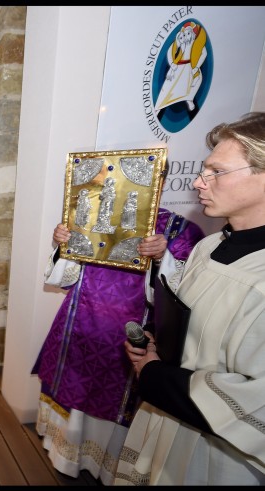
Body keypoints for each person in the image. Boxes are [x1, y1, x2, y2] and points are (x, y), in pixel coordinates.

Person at [116, 112, 265, 485]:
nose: (199, 182)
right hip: (172, 418)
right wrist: (158, 343)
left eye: (217, 172)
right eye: (203, 170)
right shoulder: (210, 245)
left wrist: (153, 373)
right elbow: (190, 315)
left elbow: (255, 398)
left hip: (221, 451)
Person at [33, 204, 205, 483]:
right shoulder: (91, 215)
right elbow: (66, 277)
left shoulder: (179, 230)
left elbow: (181, 296)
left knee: (118, 402)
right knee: (75, 390)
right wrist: (63, 244)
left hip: (131, 333)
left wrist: (164, 256)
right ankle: (66, 454)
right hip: (79, 322)